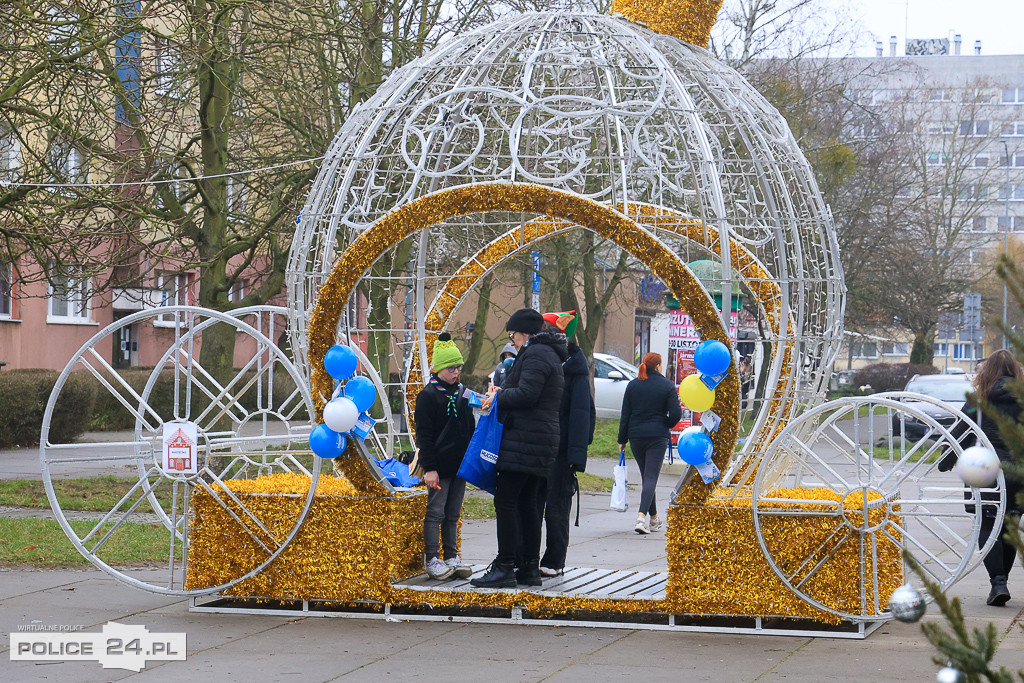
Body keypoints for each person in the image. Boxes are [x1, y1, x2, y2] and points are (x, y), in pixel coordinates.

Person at [471, 308, 568, 588]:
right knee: (527, 505)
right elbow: (533, 392)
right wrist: (505, 393)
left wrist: (499, 397)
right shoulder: (547, 353)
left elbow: (528, 394)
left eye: (512, 335)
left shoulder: (536, 354)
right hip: (538, 441)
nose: (511, 341)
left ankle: (505, 566)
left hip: (525, 441)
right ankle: (528, 568)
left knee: (506, 502)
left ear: (524, 333)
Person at [942, 349, 1023, 606]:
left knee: (987, 523)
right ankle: (1001, 582)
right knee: (1010, 524)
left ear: (987, 371)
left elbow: (960, 432)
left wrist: (946, 461)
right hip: (1018, 470)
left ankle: (998, 582)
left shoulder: (980, 397)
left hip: (985, 468)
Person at [536, 311, 596, 577]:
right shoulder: (551, 364)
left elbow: (582, 415)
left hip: (560, 452)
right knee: (536, 504)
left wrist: (575, 456)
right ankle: (531, 558)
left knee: (557, 507)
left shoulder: (575, 371)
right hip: (541, 446)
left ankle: (554, 559)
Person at [414, 332, 476, 580]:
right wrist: (430, 468)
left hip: (459, 466)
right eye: (451, 368)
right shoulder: (428, 396)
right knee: (435, 513)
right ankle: (432, 559)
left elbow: (470, 428)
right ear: (438, 369)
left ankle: (451, 556)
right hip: (439, 467)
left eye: (458, 367)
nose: (456, 372)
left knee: (453, 514)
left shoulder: (463, 392)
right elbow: (424, 436)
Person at [617, 352, 683, 534]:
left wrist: (622, 439)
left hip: (636, 436)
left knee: (647, 477)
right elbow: (676, 414)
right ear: (658, 366)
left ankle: (654, 519)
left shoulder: (633, 385)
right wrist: (665, 423)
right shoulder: (667, 385)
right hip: (657, 436)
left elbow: (625, 415)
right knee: (651, 477)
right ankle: (641, 518)